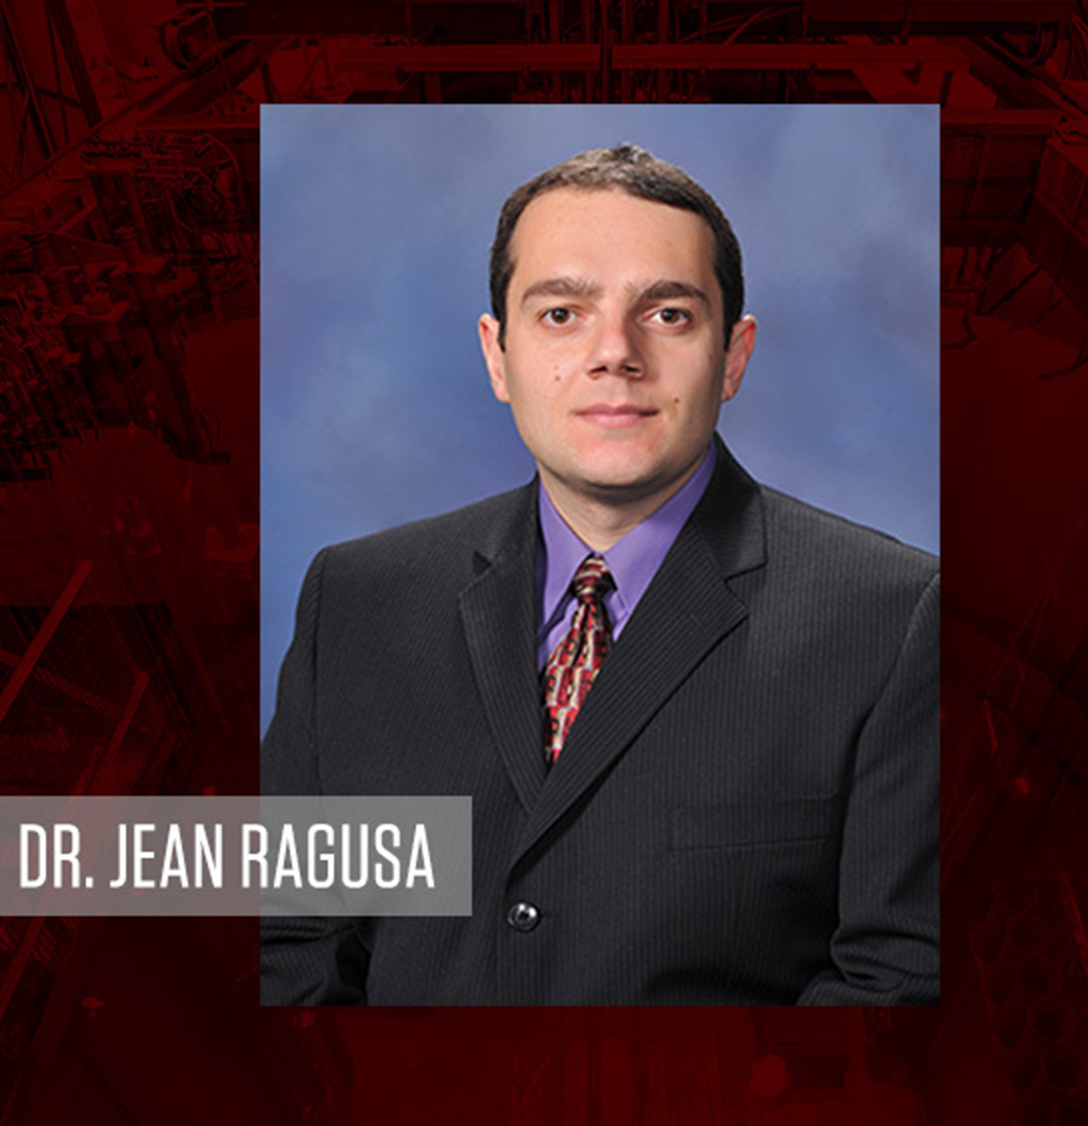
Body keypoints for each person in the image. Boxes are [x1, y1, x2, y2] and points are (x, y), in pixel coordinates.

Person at [259, 144, 939, 1005]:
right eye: (560, 314)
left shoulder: (893, 618)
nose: (614, 353)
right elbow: (291, 946)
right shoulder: (354, 604)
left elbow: (897, 983)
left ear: (733, 355)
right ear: (497, 355)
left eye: (667, 315)